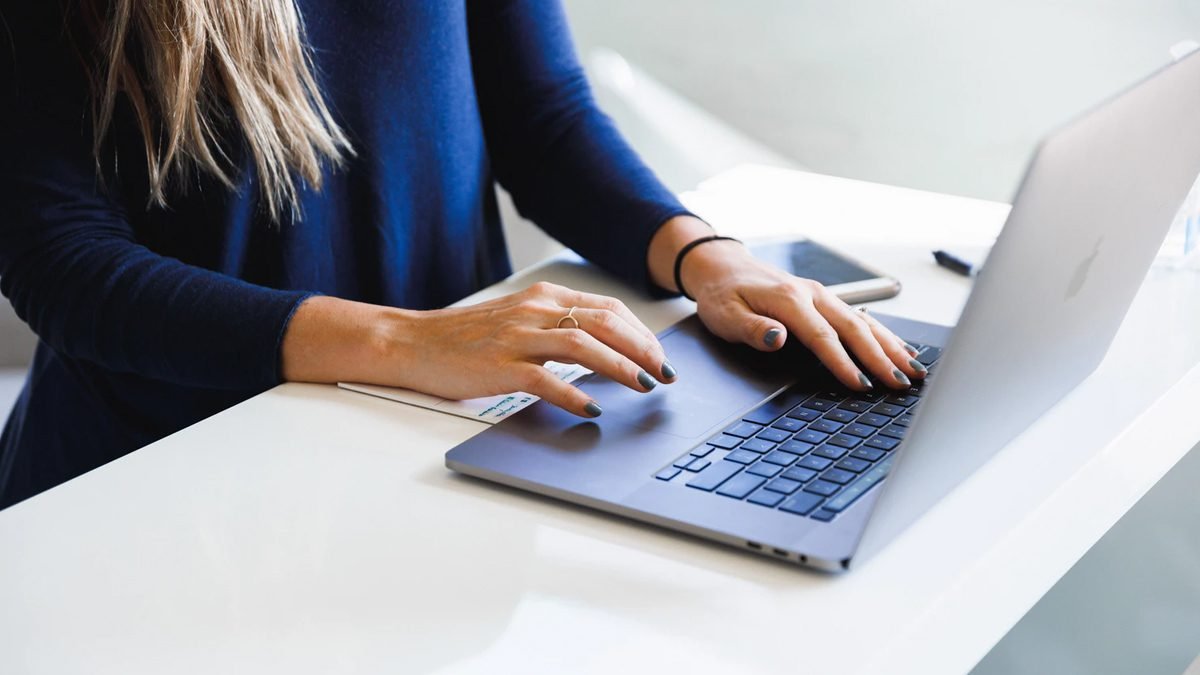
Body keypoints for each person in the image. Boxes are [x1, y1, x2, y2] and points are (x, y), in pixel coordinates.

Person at [0, 0, 926, 509]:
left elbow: (540, 113)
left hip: (443, 436)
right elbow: (60, 260)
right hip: (168, 480)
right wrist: (407, 342)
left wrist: (705, 257)